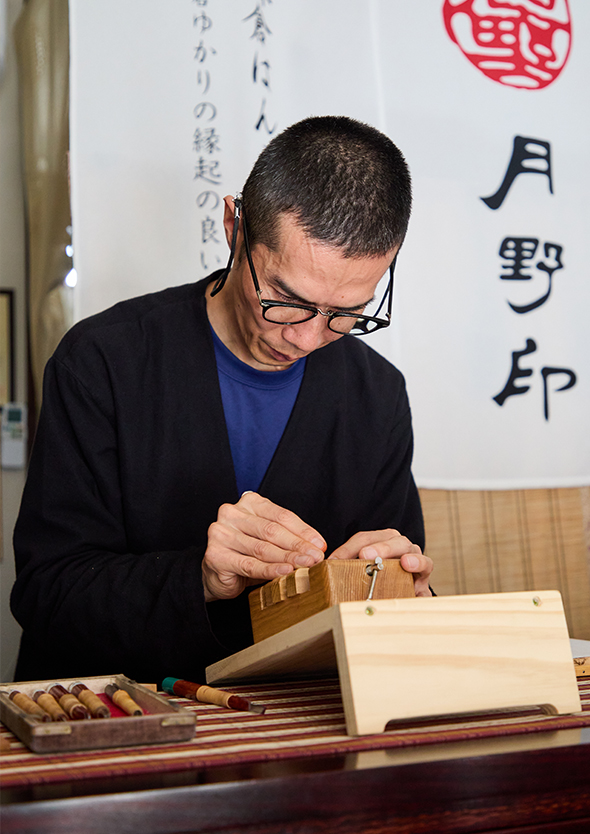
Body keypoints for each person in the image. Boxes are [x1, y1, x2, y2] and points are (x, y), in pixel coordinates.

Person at [11, 116, 433, 685]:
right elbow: (47, 593)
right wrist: (201, 579)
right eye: (286, 299)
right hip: (118, 722)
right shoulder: (104, 360)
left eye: (346, 313)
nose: (307, 339)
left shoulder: (376, 394)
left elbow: (385, 613)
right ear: (235, 227)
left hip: (297, 727)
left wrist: (402, 591)